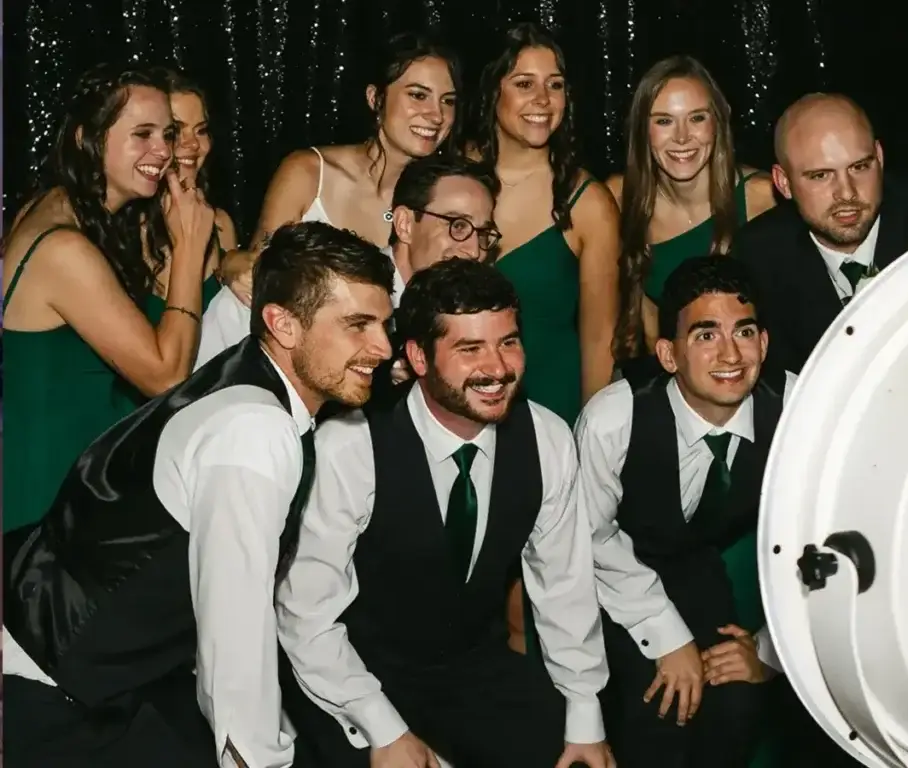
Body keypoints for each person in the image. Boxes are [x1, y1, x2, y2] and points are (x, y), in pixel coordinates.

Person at [2, 222, 395, 768]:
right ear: (281, 323)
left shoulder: (250, 380)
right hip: (50, 692)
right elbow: (234, 643)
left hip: (109, 680)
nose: (383, 347)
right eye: (358, 325)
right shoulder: (253, 433)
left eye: (384, 323)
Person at [276, 258, 614, 768]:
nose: (497, 368)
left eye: (508, 342)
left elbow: (565, 589)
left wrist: (585, 719)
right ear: (417, 356)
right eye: (469, 348)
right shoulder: (352, 444)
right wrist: (384, 730)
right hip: (354, 676)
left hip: (474, 673)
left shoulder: (547, 438)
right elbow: (306, 615)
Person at [577, 256, 795, 767]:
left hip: (696, 573)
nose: (730, 354)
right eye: (704, 335)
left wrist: (767, 651)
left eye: (743, 332)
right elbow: (588, 537)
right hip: (604, 586)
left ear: (763, 343)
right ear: (669, 354)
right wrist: (667, 638)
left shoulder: (799, 409)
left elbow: (828, 540)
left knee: (738, 704)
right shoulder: (615, 418)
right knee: (662, 710)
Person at [1, 63, 214, 533]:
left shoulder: (61, 205)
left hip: (71, 488)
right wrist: (190, 249)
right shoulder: (63, 248)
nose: (163, 151)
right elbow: (166, 375)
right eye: (142, 134)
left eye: (168, 133)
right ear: (86, 138)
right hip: (41, 507)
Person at [474, 20, 620, 657]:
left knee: (542, 609)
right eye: (524, 83)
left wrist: (594, 457)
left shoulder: (585, 201)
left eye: (555, 85)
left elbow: (600, 343)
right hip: (464, 412)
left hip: (550, 417)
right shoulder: (454, 183)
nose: (542, 99)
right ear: (494, 94)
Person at [732, 92, 908, 379]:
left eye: (860, 167)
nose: (847, 192)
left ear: (880, 158)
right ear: (783, 183)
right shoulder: (759, 257)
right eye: (821, 176)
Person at [195, 154, 500, 376]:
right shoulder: (314, 282)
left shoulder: (469, 320)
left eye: (484, 233)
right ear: (405, 224)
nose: (473, 249)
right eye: (458, 226)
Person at [218, 32, 462, 302]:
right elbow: (253, 275)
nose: (437, 115)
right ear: (375, 98)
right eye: (418, 95)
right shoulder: (308, 172)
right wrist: (230, 263)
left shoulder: (447, 199)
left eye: (448, 101)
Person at [607, 55, 775, 359]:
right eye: (664, 121)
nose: (682, 137)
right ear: (642, 130)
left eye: (697, 118)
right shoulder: (620, 198)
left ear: (718, 123)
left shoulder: (761, 197)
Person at [112, 66, 242, 411]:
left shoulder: (219, 225)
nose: (192, 145)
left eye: (201, 130)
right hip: (131, 428)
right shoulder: (117, 231)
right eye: (175, 132)